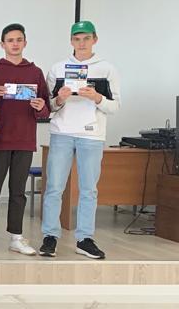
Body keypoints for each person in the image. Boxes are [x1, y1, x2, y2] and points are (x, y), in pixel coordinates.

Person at [40, 21, 120, 260]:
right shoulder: (58, 68)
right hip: (61, 133)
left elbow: (115, 106)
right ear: (71, 41)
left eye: (86, 38)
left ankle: (85, 239)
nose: (81, 43)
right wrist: (60, 99)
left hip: (92, 135)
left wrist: (97, 97)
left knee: (88, 190)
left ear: (95, 39)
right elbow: (48, 107)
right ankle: (50, 236)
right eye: (77, 38)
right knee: (54, 187)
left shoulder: (107, 69)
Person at [0, 23, 50, 256]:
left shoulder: (35, 72)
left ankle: (16, 238)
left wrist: (40, 107)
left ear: (25, 42)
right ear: (2, 44)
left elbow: (46, 109)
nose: (15, 44)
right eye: (10, 40)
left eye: (19, 40)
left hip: (24, 140)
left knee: (18, 192)